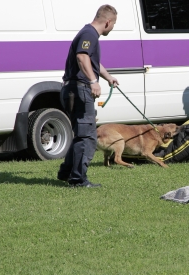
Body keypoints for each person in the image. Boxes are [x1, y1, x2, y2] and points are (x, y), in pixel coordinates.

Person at [57, 5, 119, 188]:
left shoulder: (87, 33)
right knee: (88, 137)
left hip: (72, 90)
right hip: (80, 90)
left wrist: (108, 78)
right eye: (114, 24)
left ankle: (66, 173)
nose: (113, 28)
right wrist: (93, 81)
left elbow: (92, 62)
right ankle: (78, 180)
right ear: (108, 22)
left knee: (81, 135)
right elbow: (82, 57)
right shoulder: (89, 34)